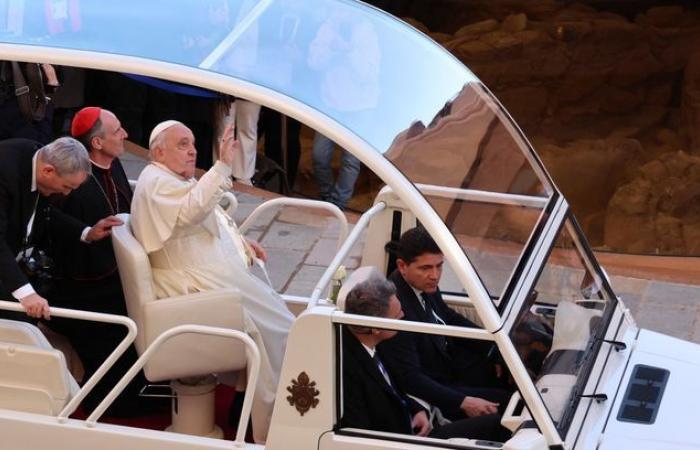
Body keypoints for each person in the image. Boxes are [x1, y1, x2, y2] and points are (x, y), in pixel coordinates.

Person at [130, 119, 294, 443]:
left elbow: (210, 220)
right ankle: (275, 416)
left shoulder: (170, 178)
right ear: (158, 151)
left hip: (209, 269)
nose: (192, 151)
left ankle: (249, 404)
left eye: (193, 144)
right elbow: (190, 213)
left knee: (278, 317)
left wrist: (242, 244)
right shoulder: (156, 182)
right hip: (193, 278)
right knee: (284, 328)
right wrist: (220, 166)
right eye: (182, 144)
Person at [45, 106, 160, 416]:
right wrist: (86, 233)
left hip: (117, 275)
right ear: (97, 143)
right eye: (117, 130)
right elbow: (50, 221)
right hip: (86, 286)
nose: (125, 135)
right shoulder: (74, 176)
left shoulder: (113, 163)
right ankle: (114, 407)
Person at [342, 277, 508, 441]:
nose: (403, 316)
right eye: (397, 316)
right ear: (376, 328)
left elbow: (395, 388)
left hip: (417, 423)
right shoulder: (350, 371)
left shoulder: (376, 345)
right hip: (404, 441)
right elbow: (361, 434)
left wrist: (416, 409)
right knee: (499, 425)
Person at [379, 227, 510, 422]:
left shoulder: (422, 284)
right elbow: (410, 378)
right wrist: (463, 401)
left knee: (509, 374)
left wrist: (494, 347)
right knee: (511, 402)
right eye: (425, 268)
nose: (435, 275)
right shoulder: (396, 309)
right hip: (439, 387)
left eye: (439, 266)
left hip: (450, 363)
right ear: (402, 266)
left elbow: (447, 317)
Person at [0, 136, 90, 320]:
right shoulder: (5, 171)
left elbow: (45, 211)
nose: (66, 193)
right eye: (66, 186)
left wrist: (86, 232)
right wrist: (25, 293)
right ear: (48, 171)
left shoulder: (39, 158)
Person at [311, 131, 361, 210]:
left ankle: (338, 204)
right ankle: (325, 196)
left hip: (357, 122)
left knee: (351, 162)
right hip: (329, 119)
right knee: (319, 156)